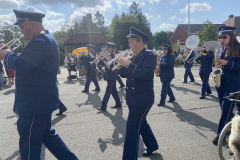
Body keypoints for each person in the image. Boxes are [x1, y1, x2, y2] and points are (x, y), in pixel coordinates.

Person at [0, 9, 78, 160]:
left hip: (34, 104)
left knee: (29, 148)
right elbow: (29, 63)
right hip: (38, 102)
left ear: (32, 25)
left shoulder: (41, 41)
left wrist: (7, 54)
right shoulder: (42, 40)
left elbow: (22, 65)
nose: (21, 32)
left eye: (22, 27)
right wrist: (11, 54)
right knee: (48, 137)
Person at [117, 26, 159, 159]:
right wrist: (118, 66)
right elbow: (125, 75)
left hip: (142, 99)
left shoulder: (150, 55)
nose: (129, 45)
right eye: (129, 42)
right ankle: (152, 145)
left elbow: (146, 75)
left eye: (131, 42)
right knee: (142, 123)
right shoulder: (133, 57)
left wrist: (129, 64)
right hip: (133, 98)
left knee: (132, 129)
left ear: (140, 41)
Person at [212, 26, 240, 145]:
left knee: (225, 112)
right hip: (221, 84)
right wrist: (215, 73)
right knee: (225, 110)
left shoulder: (238, 48)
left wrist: (227, 63)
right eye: (220, 37)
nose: (221, 39)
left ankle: (220, 136)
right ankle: (231, 130)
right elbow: (216, 64)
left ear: (231, 36)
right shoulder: (221, 49)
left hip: (233, 85)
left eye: (224, 37)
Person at [97, 42, 122, 111]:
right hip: (109, 75)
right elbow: (105, 65)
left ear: (111, 48)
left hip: (112, 75)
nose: (106, 49)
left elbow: (111, 66)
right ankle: (118, 103)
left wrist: (104, 59)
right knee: (113, 91)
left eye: (107, 48)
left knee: (108, 91)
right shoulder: (108, 55)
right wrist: (100, 60)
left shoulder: (114, 55)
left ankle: (103, 106)